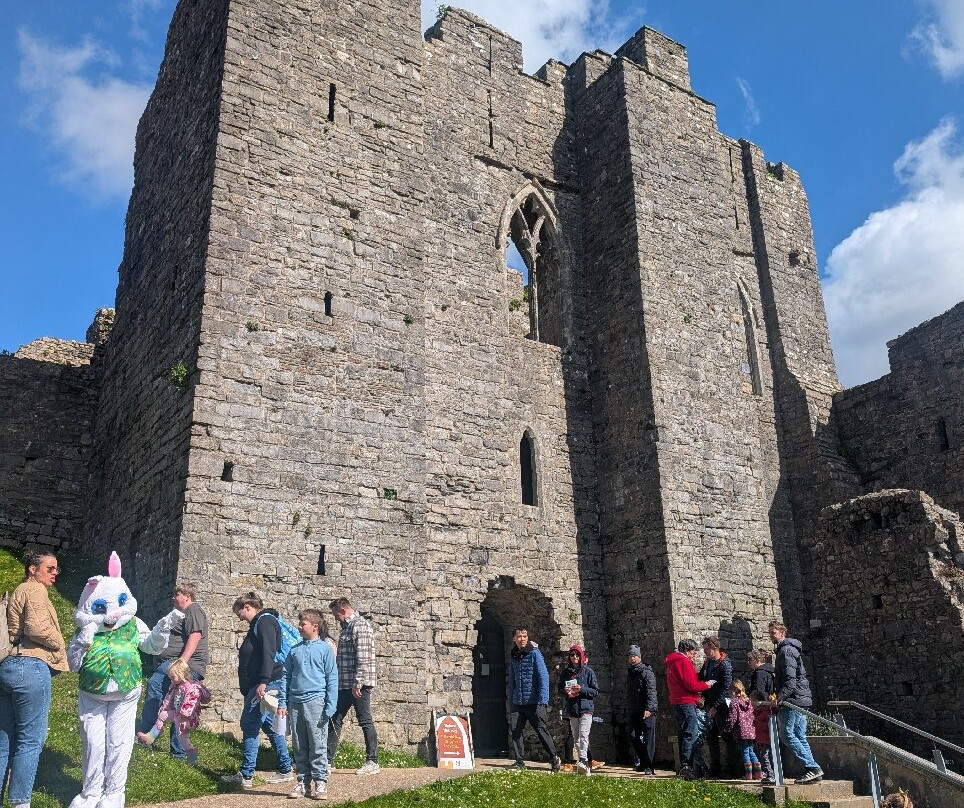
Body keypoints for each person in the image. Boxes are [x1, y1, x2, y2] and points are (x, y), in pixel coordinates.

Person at [0, 550, 68, 808]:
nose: (54, 573)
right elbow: (37, 628)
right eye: (50, 568)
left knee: (4, 742)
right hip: (30, 666)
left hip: (8, 667)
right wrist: (60, 642)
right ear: (32, 568)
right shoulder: (36, 590)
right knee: (30, 741)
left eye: (57, 569)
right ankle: (20, 803)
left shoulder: (19, 590)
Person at [221, 592, 294, 788]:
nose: (239, 617)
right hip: (265, 682)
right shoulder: (259, 623)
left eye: (239, 613)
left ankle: (246, 775)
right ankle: (286, 768)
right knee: (269, 726)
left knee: (250, 724)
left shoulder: (265, 621)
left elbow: (269, 652)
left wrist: (263, 681)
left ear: (247, 606)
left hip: (266, 684)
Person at [139, 582, 209, 759]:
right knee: (176, 704)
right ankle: (176, 750)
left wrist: (182, 662)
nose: (173, 598)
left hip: (185, 665)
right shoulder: (183, 613)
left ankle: (149, 736)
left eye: (177, 594)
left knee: (158, 688)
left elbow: (195, 636)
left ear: (187, 596)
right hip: (177, 664)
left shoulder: (193, 610)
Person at [278, 609, 338, 800]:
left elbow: (332, 678)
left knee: (317, 743)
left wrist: (331, 705)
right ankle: (303, 782)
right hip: (295, 702)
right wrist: (282, 702)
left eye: (303, 623)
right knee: (299, 744)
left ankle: (320, 782)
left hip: (316, 703)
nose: (299, 626)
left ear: (315, 626)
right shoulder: (294, 650)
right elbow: (286, 677)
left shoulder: (325, 649)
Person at [326, 597, 380, 775]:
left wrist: (358, 683)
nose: (335, 619)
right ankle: (327, 761)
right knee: (334, 719)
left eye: (336, 615)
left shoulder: (360, 625)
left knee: (365, 720)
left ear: (343, 611)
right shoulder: (347, 627)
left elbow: (363, 657)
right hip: (344, 684)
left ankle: (372, 761)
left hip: (358, 685)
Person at [769, 620, 824, 784]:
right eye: (770, 633)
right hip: (801, 698)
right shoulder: (786, 650)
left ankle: (813, 767)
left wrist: (779, 698)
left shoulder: (786, 651)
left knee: (786, 734)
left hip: (795, 699)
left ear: (782, 633)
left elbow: (790, 681)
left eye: (773, 633)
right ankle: (812, 771)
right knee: (799, 735)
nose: (771, 636)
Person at [136, 659, 211, 763]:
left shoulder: (192, 688)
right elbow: (168, 698)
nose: (171, 680)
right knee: (167, 720)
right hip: (177, 714)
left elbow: (190, 703)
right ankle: (152, 736)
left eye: (173, 677)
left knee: (177, 732)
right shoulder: (176, 686)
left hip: (186, 718)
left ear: (181, 674)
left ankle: (191, 756)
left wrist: (183, 714)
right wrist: (165, 708)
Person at [507, 627, 560, 771]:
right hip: (518, 702)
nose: (522, 639)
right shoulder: (514, 656)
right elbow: (512, 681)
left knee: (541, 730)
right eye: (519, 636)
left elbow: (543, 676)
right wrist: (511, 701)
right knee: (516, 731)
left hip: (534, 702)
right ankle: (519, 761)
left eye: (524, 636)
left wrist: (543, 700)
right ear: (514, 639)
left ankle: (554, 757)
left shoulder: (534, 653)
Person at [664, 638, 713, 780]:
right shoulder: (683, 661)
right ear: (686, 650)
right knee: (691, 733)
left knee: (684, 733)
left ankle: (685, 765)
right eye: (693, 652)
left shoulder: (672, 661)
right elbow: (691, 684)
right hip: (686, 701)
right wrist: (706, 685)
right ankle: (687, 766)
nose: (694, 655)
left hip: (678, 701)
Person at [557, 645, 598, 775]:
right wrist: (565, 690)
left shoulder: (588, 672)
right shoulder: (566, 673)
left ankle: (583, 761)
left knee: (584, 735)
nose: (575, 657)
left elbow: (595, 691)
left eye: (577, 655)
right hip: (573, 708)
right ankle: (583, 761)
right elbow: (559, 690)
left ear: (581, 656)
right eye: (572, 655)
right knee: (576, 738)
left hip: (586, 708)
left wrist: (581, 689)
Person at [698, 636, 735, 777]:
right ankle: (715, 767)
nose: (705, 652)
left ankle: (732, 769)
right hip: (710, 704)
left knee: (726, 736)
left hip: (722, 706)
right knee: (711, 736)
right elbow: (701, 678)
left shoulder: (725, 664)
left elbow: (726, 688)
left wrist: (715, 706)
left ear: (715, 648)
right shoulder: (707, 663)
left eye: (707, 649)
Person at [626, 644, 658, 775]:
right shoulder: (631, 673)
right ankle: (643, 762)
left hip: (647, 711)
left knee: (649, 738)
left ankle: (649, 765)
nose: (632, 658)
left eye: (634, 656)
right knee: (634, 736)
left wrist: (649, 708)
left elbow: (651, 692)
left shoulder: (647, 672)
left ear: (639, 657)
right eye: (630, 656)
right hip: (635, 711)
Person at [724, 680, 760, 780]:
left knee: (745, 752)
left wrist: (728, 728)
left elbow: (733, 718)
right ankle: (758, 773)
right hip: (751, 731)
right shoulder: (748, 701)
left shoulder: (734, 702)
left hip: (741, 731)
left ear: (733, 691)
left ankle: (749, 775)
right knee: (751, 751)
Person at [750, 690, 776, 784]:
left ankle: (770, 775)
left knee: (765, 757)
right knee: (764, 757)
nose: (751, 703)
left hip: (767, 739)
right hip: (762, 739)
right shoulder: (758, 713)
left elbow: (769, 725)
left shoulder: (766, 712)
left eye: (753, 701)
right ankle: (769, 774)